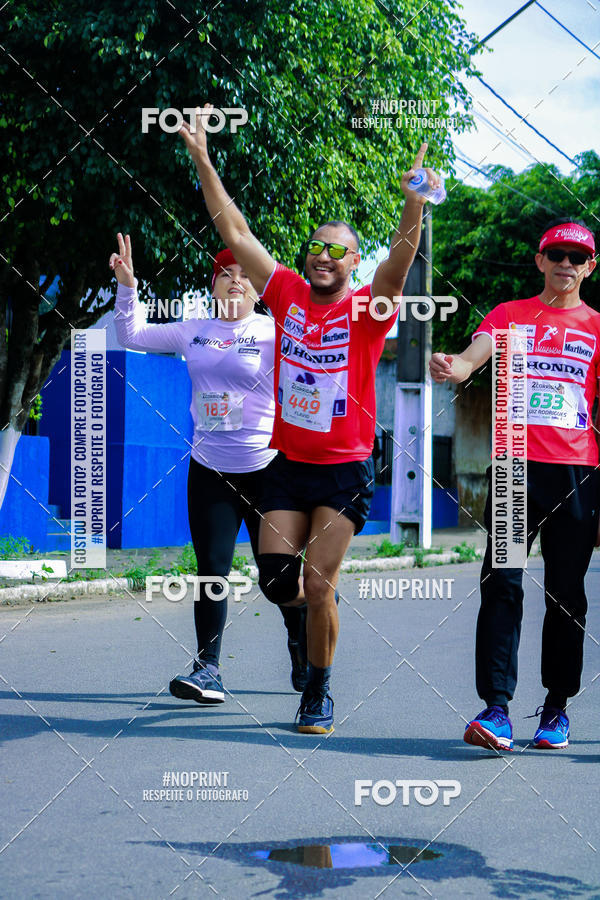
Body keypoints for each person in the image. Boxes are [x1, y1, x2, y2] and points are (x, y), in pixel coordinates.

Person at [178, 103, 441, 733]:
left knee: (320, 585)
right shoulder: (288, 293)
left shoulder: (367, 312)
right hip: (289, 467)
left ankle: (317, 691)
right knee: (276, 583)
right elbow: (235, 232)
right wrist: (201, 157)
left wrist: (414, 205)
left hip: (345, 470)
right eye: (316, 246)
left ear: (353, 263)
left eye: (338, 250)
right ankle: (312, 622)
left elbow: (398, 264)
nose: (323, 255)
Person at [429, 218, 600, 751]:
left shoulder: (597, 325)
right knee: (502, 582)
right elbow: (474, 354)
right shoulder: (510, 316)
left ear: (590, 267)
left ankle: (556, 708)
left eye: (577, 257)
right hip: (513, 472)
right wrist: (456, 367)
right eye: (557, 255)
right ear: (540, 262)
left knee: (566, 594)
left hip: (578, 475)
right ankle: (496, 709)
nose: (566, 265)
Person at [110, 234, 283, 703]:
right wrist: (129, 288)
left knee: (278, 577)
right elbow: (132, 336)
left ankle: (305, 656)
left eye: (245, 275)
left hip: (267, 470)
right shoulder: (193, 330)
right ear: (213, 284)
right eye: (226, 273)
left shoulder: (274, 332)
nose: (235, 281)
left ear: (258, 289)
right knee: (211, 570)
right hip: (210, 471)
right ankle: (208, 667)